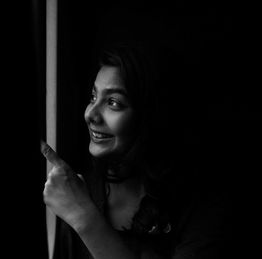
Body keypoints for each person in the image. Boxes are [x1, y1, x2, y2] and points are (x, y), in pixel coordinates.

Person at [41, 44, 232, 259]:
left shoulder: (203, 206)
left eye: (113, 103)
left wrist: (84, 217)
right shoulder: (81, 189)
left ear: (152, 116)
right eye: (93, 97)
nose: (90, 114)